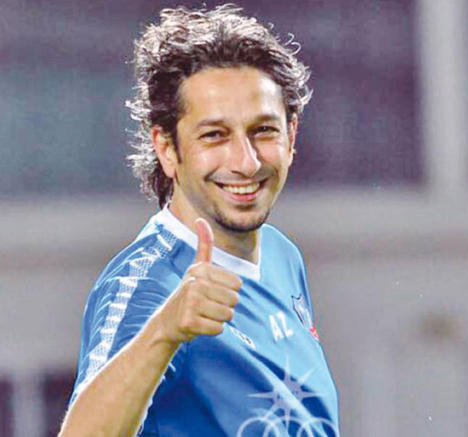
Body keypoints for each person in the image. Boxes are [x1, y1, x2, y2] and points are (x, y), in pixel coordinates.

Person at [59, 4, 339, 437]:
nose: (246, 162)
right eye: (214, 135)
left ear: (292, 136)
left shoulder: (282, 254)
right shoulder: (147, 283)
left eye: (264, 130)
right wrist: (165, 331)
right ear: (167, 149)